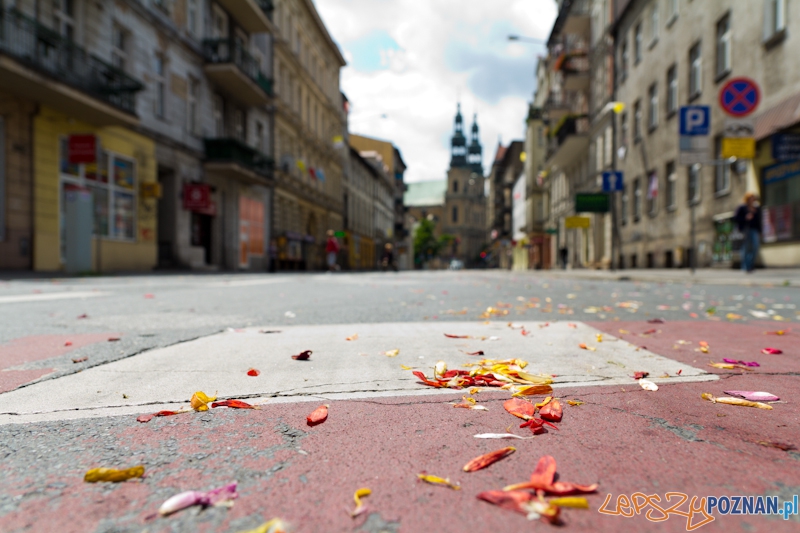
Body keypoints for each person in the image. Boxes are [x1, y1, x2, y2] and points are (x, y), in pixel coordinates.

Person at [734, 192, 762, 273]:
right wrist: (745, 218)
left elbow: (759, 220)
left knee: (755, 246)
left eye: (753, 198)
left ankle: (750, 264)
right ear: (747, 199)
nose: (752, 200)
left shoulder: (757, 208)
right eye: (750, 198)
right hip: (745, 229)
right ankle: (746, 267)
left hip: (754, 230)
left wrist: (760, 231)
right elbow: (735, 218)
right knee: (745, 248)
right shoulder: (742, 207)